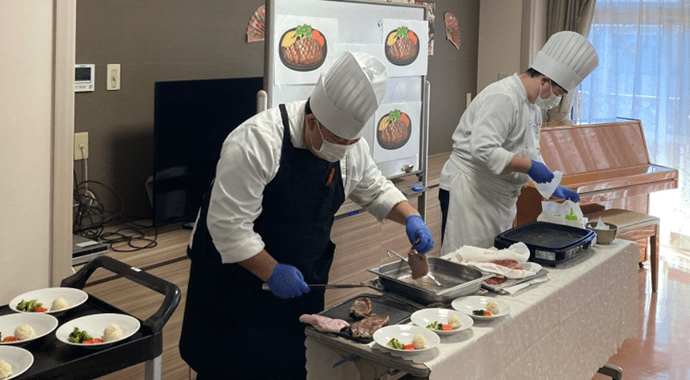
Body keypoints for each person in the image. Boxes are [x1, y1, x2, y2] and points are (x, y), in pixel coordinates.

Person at [179, 51, 434, 379]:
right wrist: (272, 272)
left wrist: (411, 216)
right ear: (312, 120)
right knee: (232, 368)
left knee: (293, 365)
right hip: (234, 288)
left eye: (350, 140)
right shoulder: (257, 140)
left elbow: (376, 189)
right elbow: (229, 228)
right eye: (338, 140)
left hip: (299, 283)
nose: (342, 148)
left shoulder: (349, 147)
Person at [438, 31, 599, 254]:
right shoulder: (504, 96)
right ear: (544, 80)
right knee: (464, 260)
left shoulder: (533, 107)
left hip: (497, 198)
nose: (556, 98)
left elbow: (532, 153)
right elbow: (483, 149)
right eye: (557, 91)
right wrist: (530, 167)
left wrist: (553, 186)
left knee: (492, 261)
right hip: (471, 192)